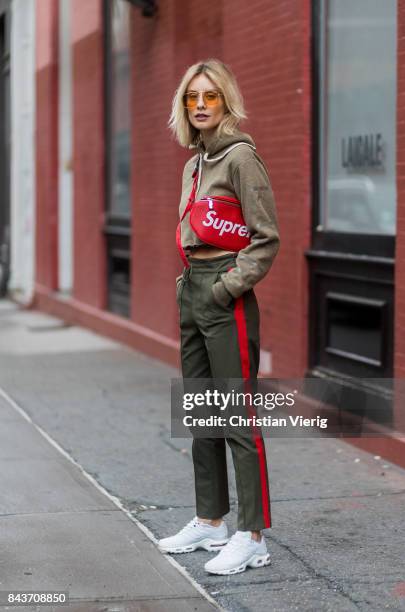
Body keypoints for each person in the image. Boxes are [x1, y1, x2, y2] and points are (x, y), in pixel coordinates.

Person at [158, 59, 280, 575]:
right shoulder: (194, 163)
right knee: (202, 414)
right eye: (192, 97)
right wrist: (191, 289)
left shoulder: (239, 158)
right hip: (192, 290)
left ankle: (251, 535)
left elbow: (266, 237)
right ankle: (211, 521)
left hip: (224, 293)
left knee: (237, 417)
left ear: (226, 101)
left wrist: (227, 288)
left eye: (210, 95)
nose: (201, 104)